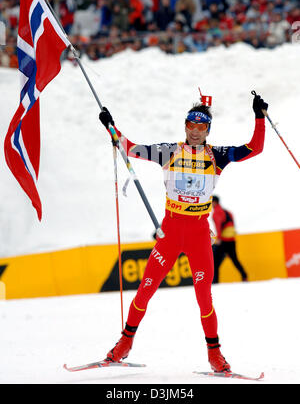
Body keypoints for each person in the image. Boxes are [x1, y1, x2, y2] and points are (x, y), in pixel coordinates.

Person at [99, 91, 268, 372]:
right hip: (171, 232)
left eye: (201, 127)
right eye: (191, 125)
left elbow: (255, 148)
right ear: (185, 126)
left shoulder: (217, 155)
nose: (195, 131)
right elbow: (129, 147)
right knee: (146, 289)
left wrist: (259, 117)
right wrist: (110, 126)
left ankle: (215, 356)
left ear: (208, 130)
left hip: (199, 234)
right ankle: (123, 345)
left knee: (204, 296)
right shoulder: (169, 151)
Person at [211, 196, 248, 283]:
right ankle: (244, 276)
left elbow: (218, 226)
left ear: (215, 202)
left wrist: (219, 238)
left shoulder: (217, 212)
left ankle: (215, 282)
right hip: (231, 239)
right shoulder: (227, 212)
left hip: (223, 241)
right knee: (235, 260)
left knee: (215, 263)